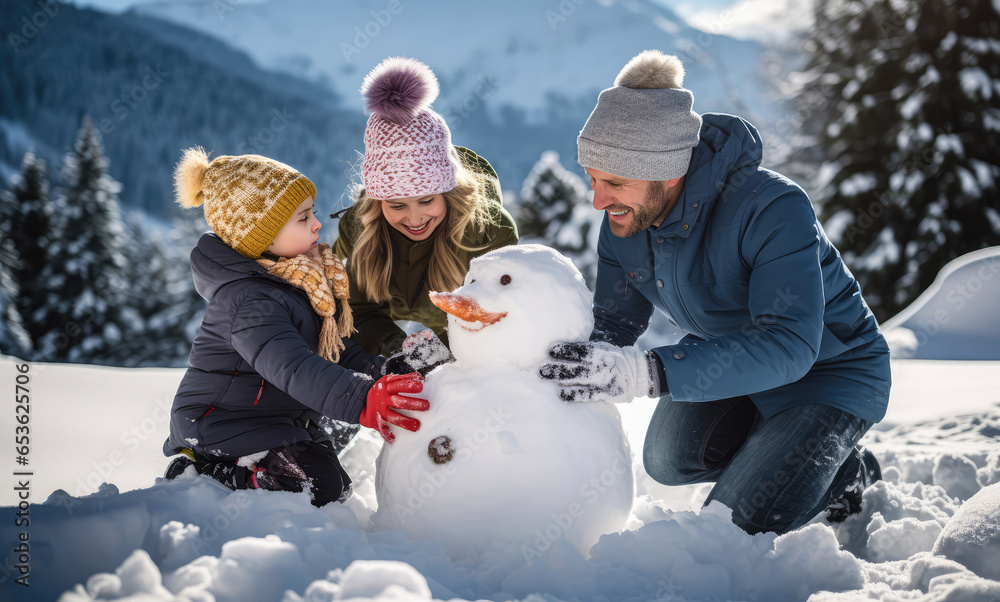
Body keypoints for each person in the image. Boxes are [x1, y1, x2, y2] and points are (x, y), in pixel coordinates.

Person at [539, 51, 890, 535]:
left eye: (615, 182)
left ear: (669, 172)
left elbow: (788, 344)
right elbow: (615, 321)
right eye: (593, 179)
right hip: (728, 360)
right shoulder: (626, 218)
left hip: (831, 371)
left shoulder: (771, 208)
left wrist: (646, 373)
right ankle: (782, 449)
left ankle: (845, 471)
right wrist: (564, 364)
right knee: (667, 461)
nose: (598, 200)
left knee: (737, 524)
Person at [162, 147, 429, 507]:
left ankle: (258, 464)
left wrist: (382, 370)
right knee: (319, 486)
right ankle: (207, 471)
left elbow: (336, 351)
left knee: (336, 486)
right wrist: (363, 398)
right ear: (261, 238)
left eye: (313, 213)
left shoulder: (301, 281)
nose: (317, 224)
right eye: (303, 219)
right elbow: (294, 367)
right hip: (220, 423)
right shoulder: (250, 302)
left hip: (273, 420)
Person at [333, 57, 518, 357]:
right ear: (378, 201)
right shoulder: (360, 227)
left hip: (463, 342)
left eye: (427, 200)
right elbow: (358, 309)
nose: (415, 218)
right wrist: (393, 347)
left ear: (447, 190)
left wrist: (438, 356)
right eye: (397, 205)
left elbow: (492, 314)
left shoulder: (488, 232)